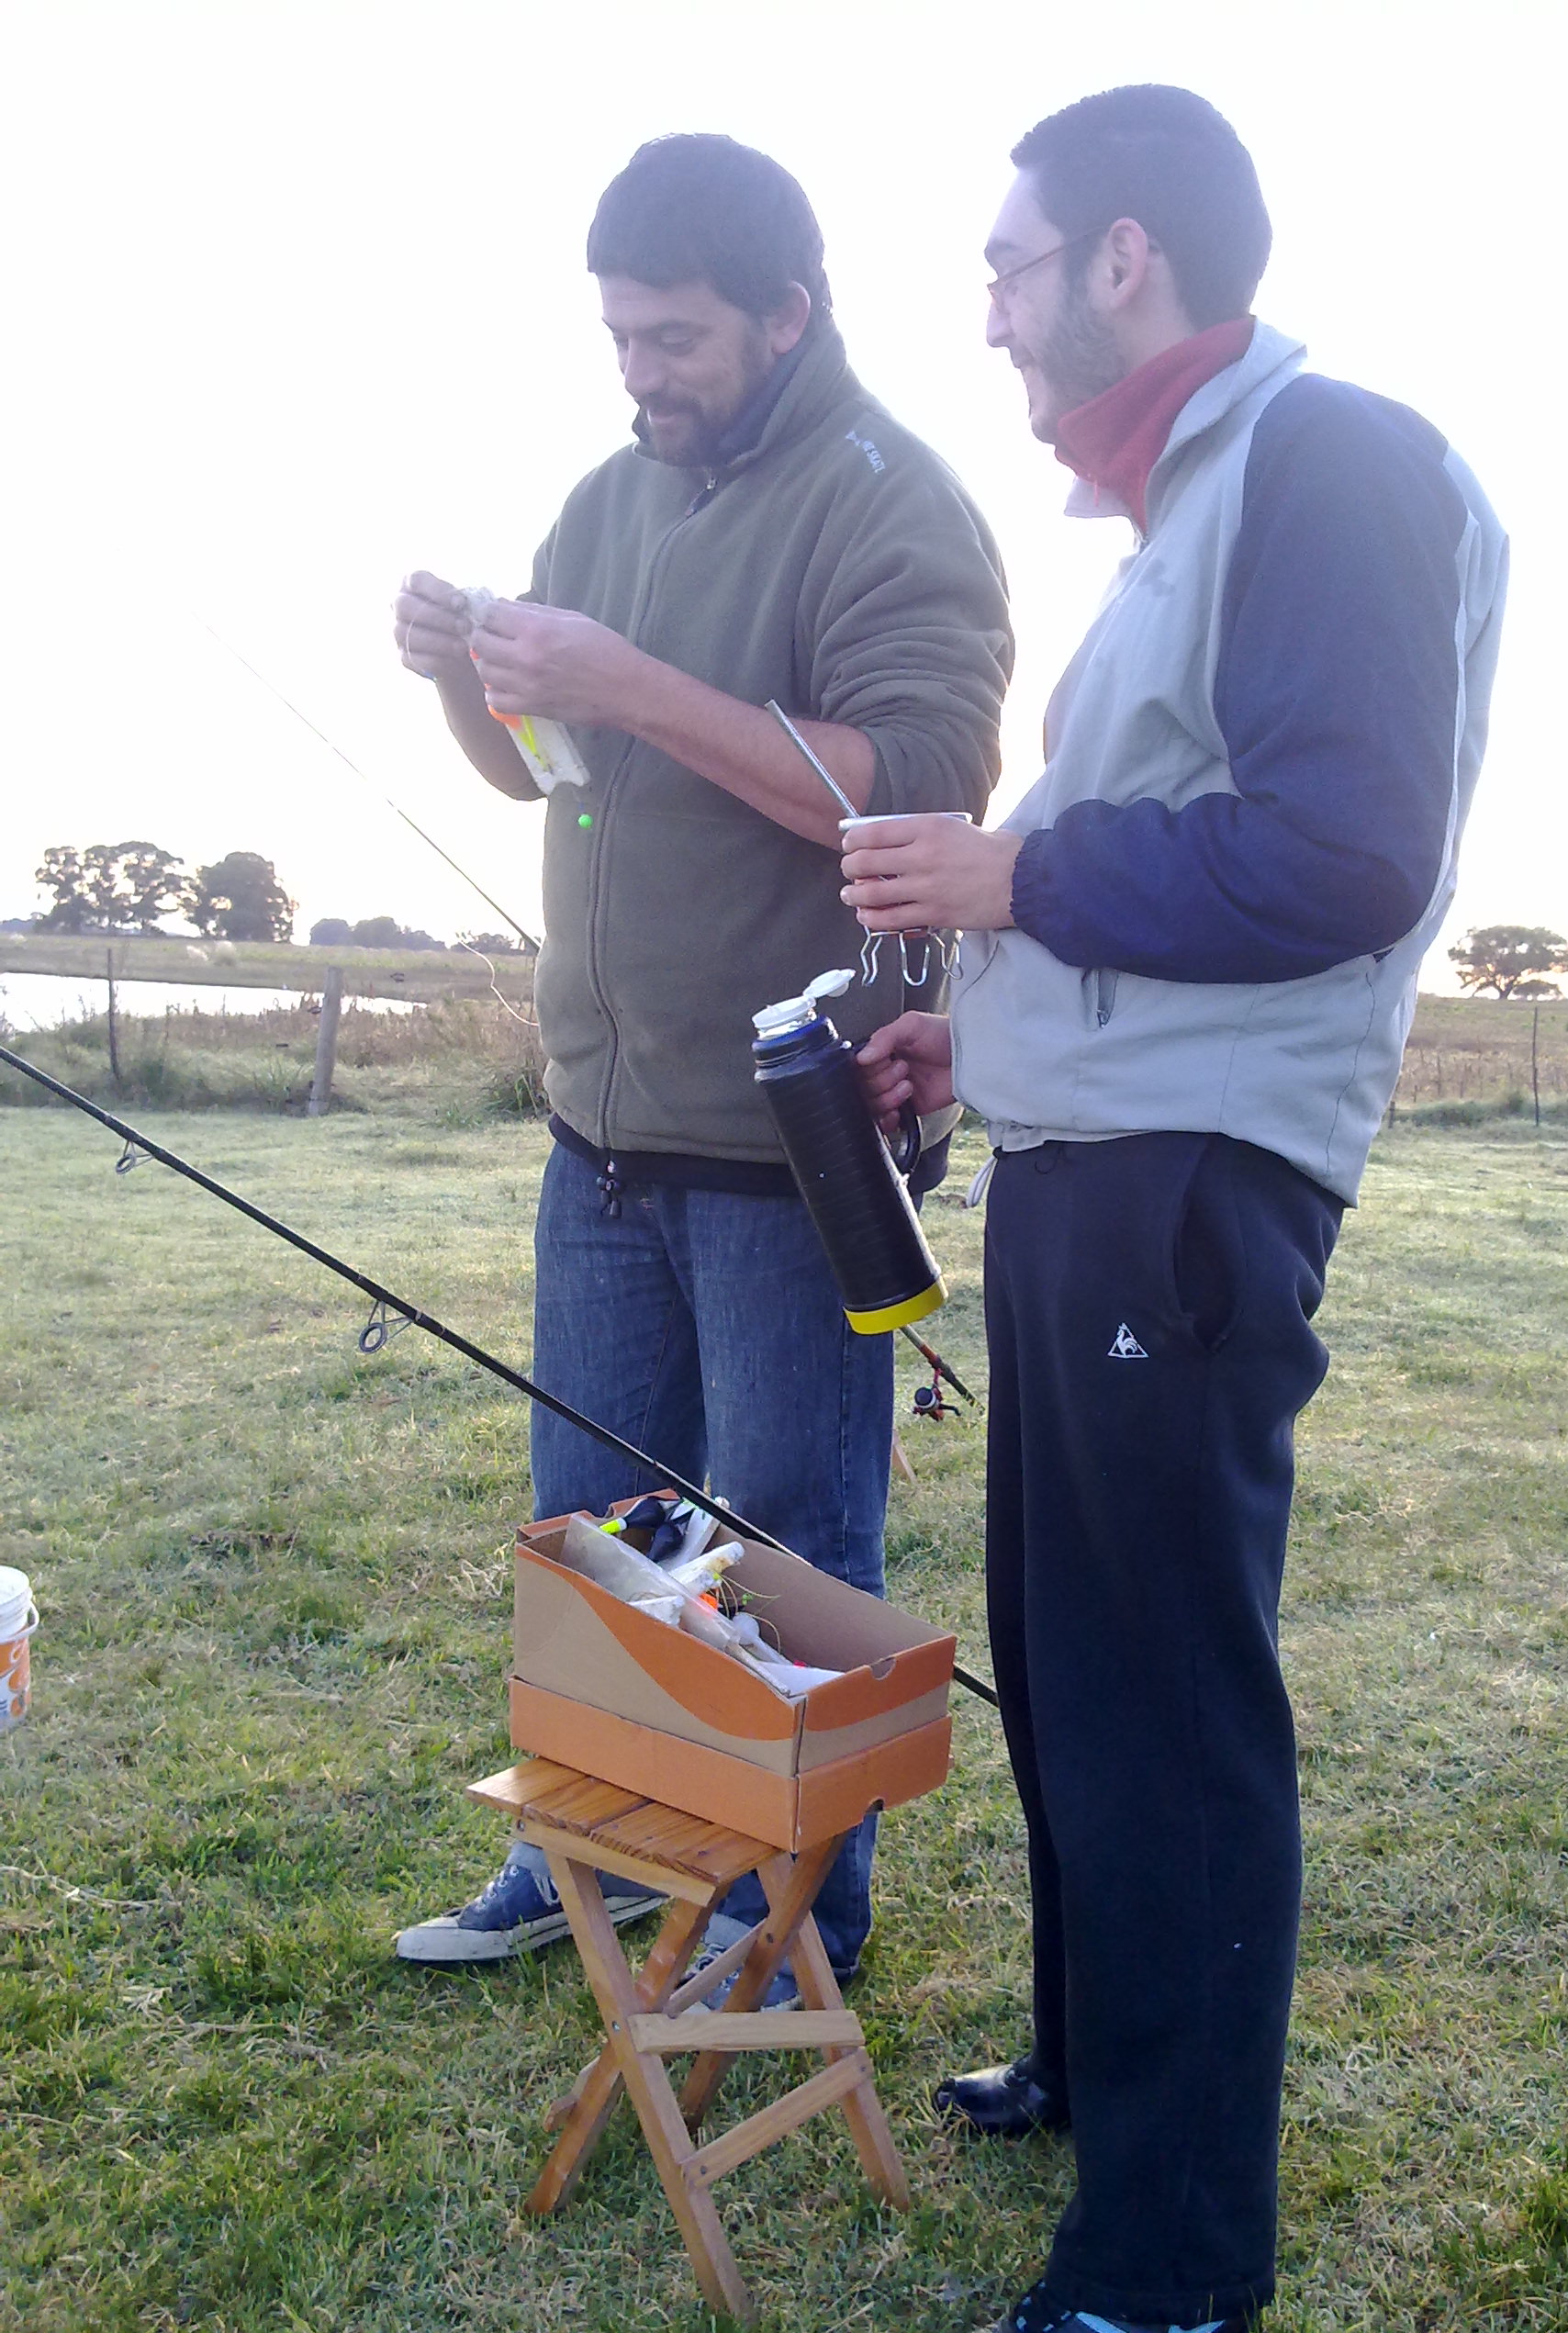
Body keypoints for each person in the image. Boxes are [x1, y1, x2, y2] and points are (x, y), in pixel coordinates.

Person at [849, 84, 1507, 2333]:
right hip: (1094, 1169)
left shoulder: (1334, 461)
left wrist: (1009, 881)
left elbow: (1344, 856)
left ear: (1127, 260)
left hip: (1198, 1192)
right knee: (1076, 1669)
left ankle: (1165, 2276)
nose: (996, 316)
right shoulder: (1185, 518)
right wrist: (985, 1039)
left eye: (1013, 268)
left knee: (1166, 1716)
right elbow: (1181, 857)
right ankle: (1101, 2081)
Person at [389, 134, 1011, 1985]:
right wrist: (462, 673)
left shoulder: (893, 504)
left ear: (786, 312)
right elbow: (544, 765)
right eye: (620, 340)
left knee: (784, 1546)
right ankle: (591, 1854)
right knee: (600, 1540)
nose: (642, 373)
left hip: (784, 1147)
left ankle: (782, 1920)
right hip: (599, 1128)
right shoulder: (605, 497)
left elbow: (918, 792)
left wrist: (626, 675)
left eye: (675, 338)